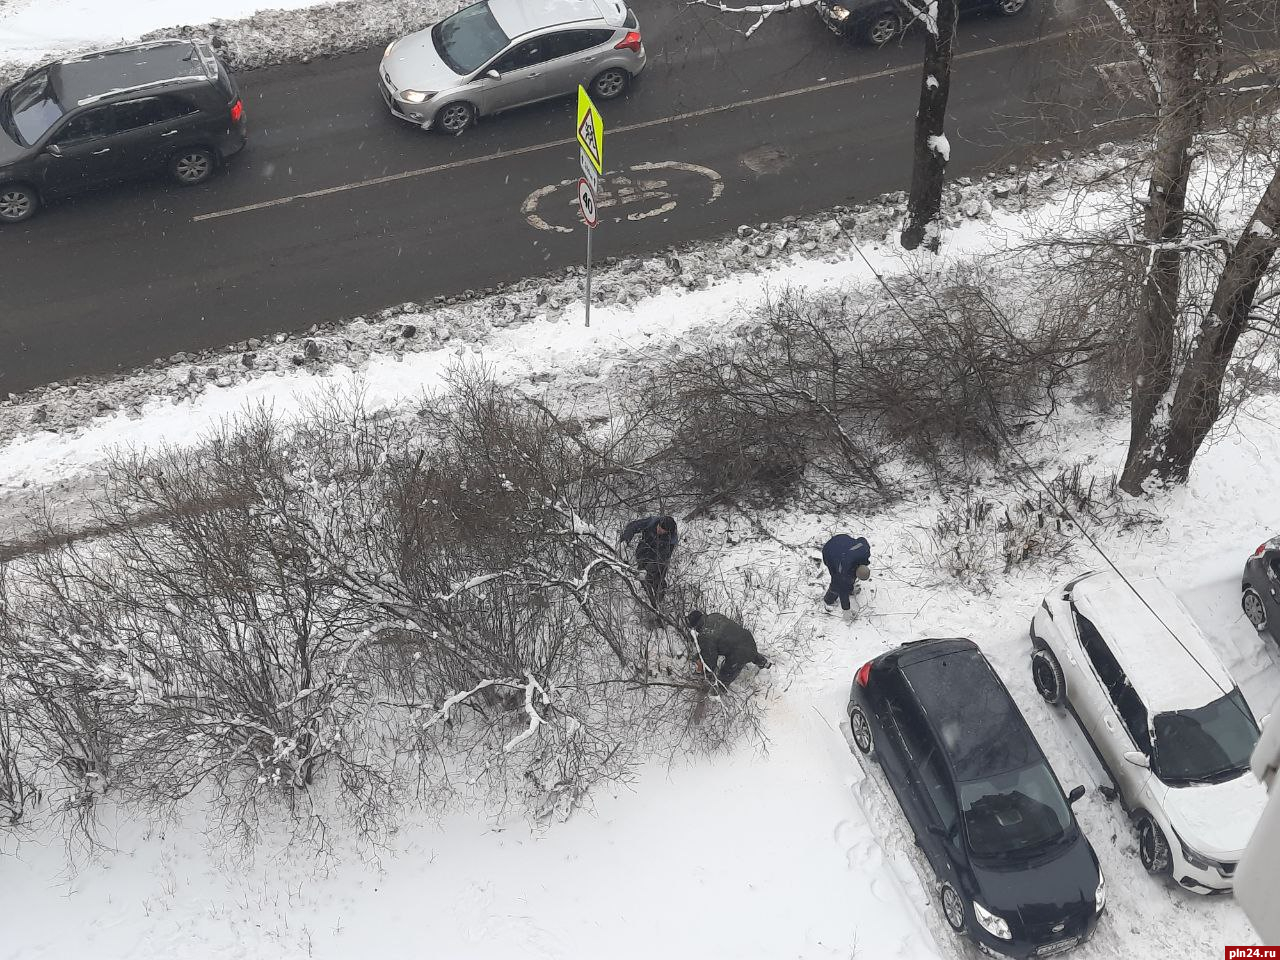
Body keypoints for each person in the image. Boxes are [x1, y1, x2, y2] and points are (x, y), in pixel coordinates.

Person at [685, 609, 771, 688]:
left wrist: (704, 673)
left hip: (739, 654)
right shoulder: (714, 616)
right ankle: (764, 663)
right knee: (748, 650)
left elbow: (710, 661)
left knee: (724, 677)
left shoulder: (705, 635)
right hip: (747, 637)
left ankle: (717, 695)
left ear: (695, 626)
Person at [621, 515, 679, 604]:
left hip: (657, 561)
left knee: (657, 581)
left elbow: (661, 560)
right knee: (643, 580)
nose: (659, 530)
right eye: (659, 527)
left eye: (663, 530)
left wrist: (647, 571)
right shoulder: (652, 522)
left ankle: (658, 604)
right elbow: (633, 526)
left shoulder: (670, 540)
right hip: (643, 553)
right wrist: (625, 540)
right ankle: (647, 598)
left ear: (668, 532)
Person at [822, 533, 871, 616]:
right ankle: (828, 600)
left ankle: (849, 587)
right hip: (829, 552)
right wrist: (846, 610)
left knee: (847, 580)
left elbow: (862, 539)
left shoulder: (865, 552)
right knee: (837, 584)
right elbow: (842, 589)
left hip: (842, 539)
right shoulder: (844, 569)